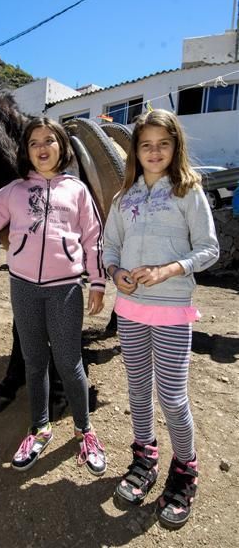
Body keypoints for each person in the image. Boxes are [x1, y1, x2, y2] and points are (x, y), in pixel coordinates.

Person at [0, 117, 107, 476]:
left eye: (49, 140)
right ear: (26, 151)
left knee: (69, 363)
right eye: (34, 142)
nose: (42, 147)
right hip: (23, 288)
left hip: (65, 289)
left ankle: (84, 429)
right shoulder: (14, 191)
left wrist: (97, 282)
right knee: (34, 363)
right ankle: (39, 428)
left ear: (61, 147)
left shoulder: (76, 190)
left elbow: (94, 238)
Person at [103, 109, 219, 529]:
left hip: (171, 311)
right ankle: (145, 456)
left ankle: (185, 468)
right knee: (137, 390)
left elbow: (208, 249)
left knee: (171, 396)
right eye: (146, 144)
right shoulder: (122, 197)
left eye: (163, 144)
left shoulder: (189, 190)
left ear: (175, 147)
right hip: (131, 311)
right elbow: (108, 248)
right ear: (136, 149)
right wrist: (116, 273)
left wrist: (171, 269)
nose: (154, 152)